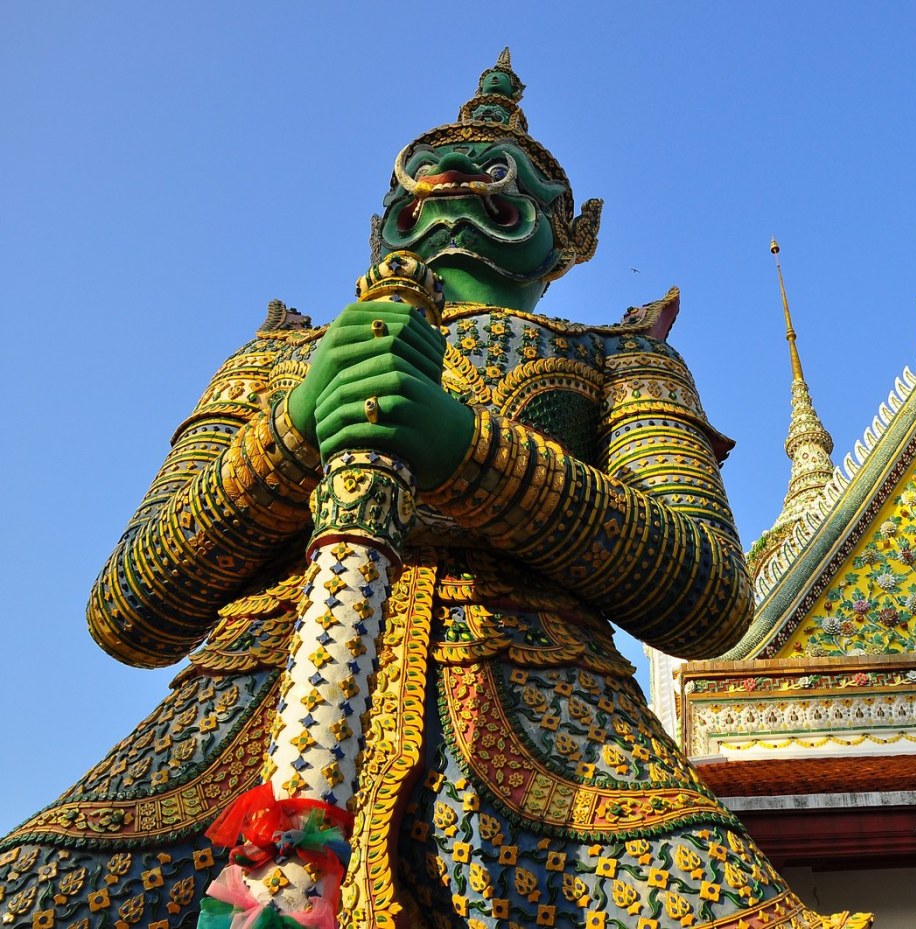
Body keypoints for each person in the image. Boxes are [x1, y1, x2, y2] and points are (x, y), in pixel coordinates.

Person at [0, 50, 868, 929]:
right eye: (419, 187)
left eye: (502, 181)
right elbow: (128, 608)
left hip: (553, 730)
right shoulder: (276, 360)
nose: (452, 188)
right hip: (238, 726)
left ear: (571, 238)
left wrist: (468, 452)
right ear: (383, 222)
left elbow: (709, 594)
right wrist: (295, 427)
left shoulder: (623, 357)